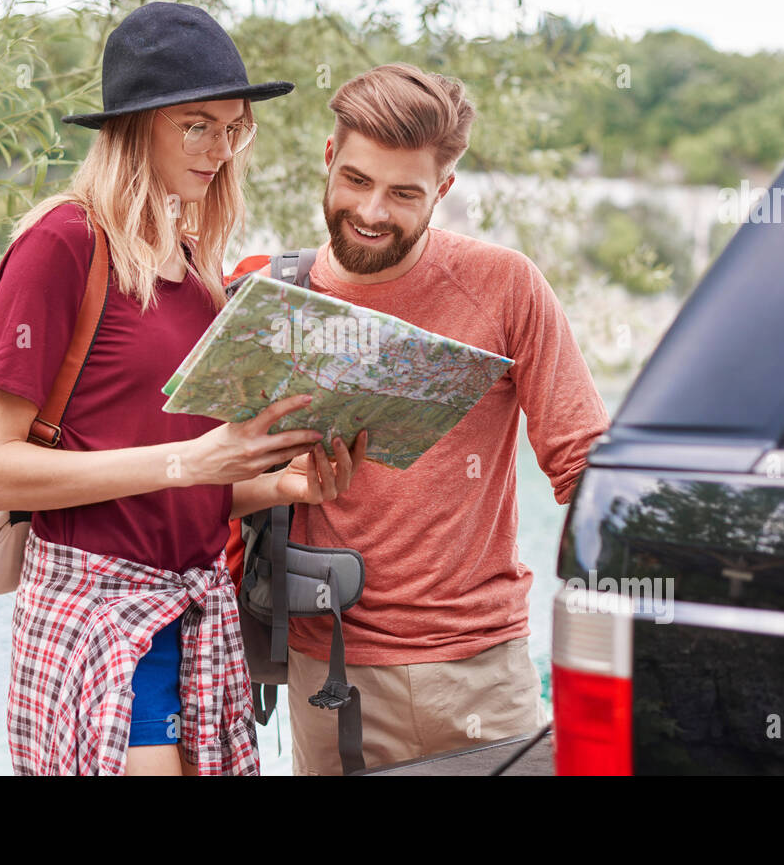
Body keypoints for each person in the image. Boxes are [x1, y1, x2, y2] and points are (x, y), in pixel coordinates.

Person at [0, 2, 367, 776]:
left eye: (234, 126)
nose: (220, 148)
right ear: (136, 125)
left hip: (195, 615)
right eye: (196, 124)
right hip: (102, 618)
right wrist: (187, 464)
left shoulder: (197, 271)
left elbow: (185, 485)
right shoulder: (62, 244)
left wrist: (280, 479)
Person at [260, 62, 611, 775]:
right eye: (357, 180)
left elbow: (587, 468)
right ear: (329, 158)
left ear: (443, 191)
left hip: (482, 670)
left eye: (404, 193)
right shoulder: (272, 296)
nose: (372, 211)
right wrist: (283, 481)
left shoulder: (507, 286)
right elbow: (207, 480)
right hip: (327, 670)